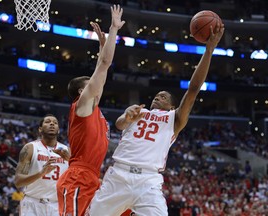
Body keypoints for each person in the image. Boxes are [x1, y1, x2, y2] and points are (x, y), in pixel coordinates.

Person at [88, 23, 225, 216]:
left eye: (163, 96)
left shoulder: (174, 118)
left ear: (171, 106)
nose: (158, 97)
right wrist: (127, 115)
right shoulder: (138, 111)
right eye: (157, 95)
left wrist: (209, 50)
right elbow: (119, 125)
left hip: (148, 181)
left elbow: (193, 90)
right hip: (118, 175)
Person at [56, 4, 125, 216]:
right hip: (78, 177)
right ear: (81, 89)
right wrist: (113, 29)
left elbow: (102, 70)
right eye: (91, 82)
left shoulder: (94, 106)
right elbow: (104, 66)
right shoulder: (82, 104)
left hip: (94, 177)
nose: (97, 85)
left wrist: (102, 47)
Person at [14, 114, 69, 216]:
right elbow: (18, 181)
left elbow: (78, 175)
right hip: (32, 202)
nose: (52, 124)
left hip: (57, 204)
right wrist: (41, 173)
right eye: (48, 122)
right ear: (40, 129)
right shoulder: (30, 148)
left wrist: (70, 160)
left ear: (58, 130)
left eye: (55, 123)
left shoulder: (66, 151)